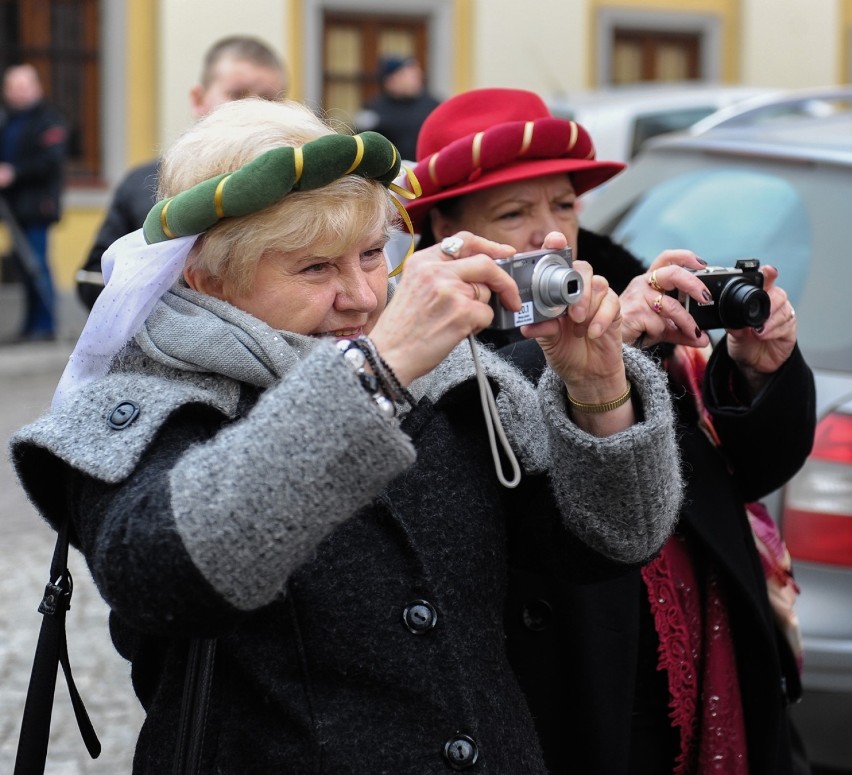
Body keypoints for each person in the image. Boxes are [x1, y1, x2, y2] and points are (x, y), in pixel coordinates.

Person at [11, 96, 685, 773]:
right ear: (207, 277)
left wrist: (599, 395)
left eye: (370, 254)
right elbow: (162, 577)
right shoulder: (141, 402)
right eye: (314, 268)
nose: (362, 294)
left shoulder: (449, 373)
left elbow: (609, 541)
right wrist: (373, 372)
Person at [402, 87, 816, 775]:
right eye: (513, 212)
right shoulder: (419, 344)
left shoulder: (632, 294)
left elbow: (755, 468)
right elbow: (486, 447)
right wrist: (592, 356)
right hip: (571, 678)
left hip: (703, 654)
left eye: (563, 204)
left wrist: (759, 370)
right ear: (447, 229)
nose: (549, 234)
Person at [75, 35, 287, 309]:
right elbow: (93, 279)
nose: (253, 109)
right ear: (198, 99)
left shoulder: (299, 185)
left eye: (269, 99)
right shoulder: (143, 183)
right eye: (237, 94)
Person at [0, 63, 67, 342]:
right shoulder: (8, 121)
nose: (20, 92)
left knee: (36, 263)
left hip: (37, 205)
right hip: (14, 207)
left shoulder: (49, 121)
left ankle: (46, 325)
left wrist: (14, 172)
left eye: (24, 86)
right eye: (14, 87)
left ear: (37, 87)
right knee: (22, 267)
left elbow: (49, 161)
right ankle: (30, 326)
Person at [355, 54, 439, 161]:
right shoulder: (372, 109)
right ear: (391, 80)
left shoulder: (433, 106)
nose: (417, 78)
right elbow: (361, 144)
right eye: (409, 75)